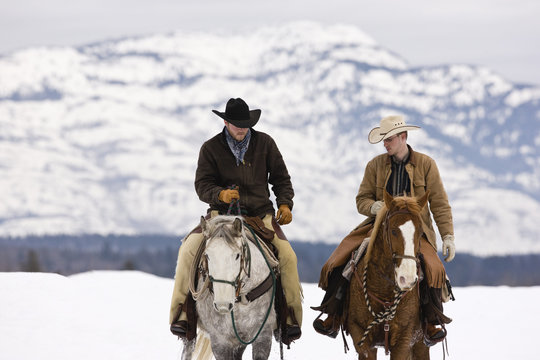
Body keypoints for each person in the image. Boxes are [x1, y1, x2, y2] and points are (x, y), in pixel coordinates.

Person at [312, 115, 455, 345]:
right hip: (378, 228)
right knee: (343, 259)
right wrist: (375, 207)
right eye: (384, 140)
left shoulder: (426, 164)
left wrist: (447, 235)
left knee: (434, 267)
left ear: (403, 137)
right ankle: (333, 314)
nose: (385, 144)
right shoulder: (375, 165)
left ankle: (431, 320)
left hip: (414, 232)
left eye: (389, 139)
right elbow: (362, 200)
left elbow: (439, 202)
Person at [169, 98, 303, 342]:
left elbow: (282, 179)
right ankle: (182, 315)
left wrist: (285, 203)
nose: (241, 128)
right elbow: (201, 185)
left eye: (245, 124)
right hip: (221, 217)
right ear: (225, 122)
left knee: (288, 257)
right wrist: (219, 194)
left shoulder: (265, 143)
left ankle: (289, 319)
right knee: (188, 250)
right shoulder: (210, 148)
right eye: (236, 124)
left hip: (259, 215)